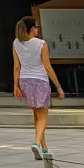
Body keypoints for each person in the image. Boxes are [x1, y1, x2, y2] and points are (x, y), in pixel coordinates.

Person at [13, 15, 65, 159]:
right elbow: (47, 67)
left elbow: (17, 66)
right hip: (40, 80)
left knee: (36, 115)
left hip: (25, 80)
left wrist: (15, 85)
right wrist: (58, 86)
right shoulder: (41, 44)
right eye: (36, 26)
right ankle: (36, 143)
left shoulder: (16, 43)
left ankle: (45, 148)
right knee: (43, 116)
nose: (38, 29)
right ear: (31, 29)